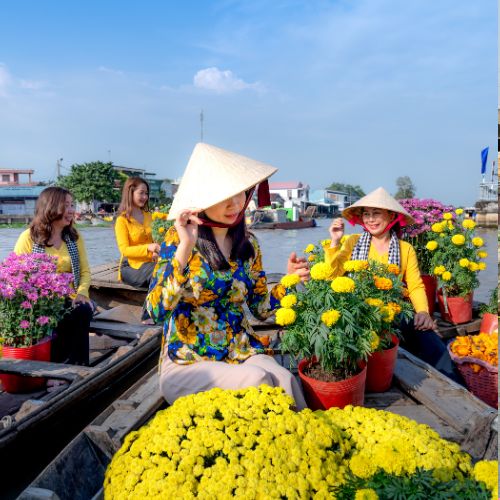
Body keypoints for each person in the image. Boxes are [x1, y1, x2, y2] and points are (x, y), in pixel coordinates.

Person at [146, 143, 309, 408]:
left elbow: (261, 309)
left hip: (239, 351)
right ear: (202, 198)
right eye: (223, 196)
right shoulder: (177, 239)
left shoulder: (249, 244)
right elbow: (154, 312)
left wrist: (288, 281)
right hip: (188, 360)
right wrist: (185, 248)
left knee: (285, 380)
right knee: (257, 380)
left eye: (241, 193)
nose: (235, 204)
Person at [324, 186, 463, 383]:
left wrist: (423, 312)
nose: (370, 219)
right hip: (358, 311)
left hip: (392, 312)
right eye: (366, 214)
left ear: (391, 216)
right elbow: (332, 275)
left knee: (430, 338)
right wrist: (335, 242)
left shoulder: (405, 249)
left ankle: (457, 386)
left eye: (376, 213)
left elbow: (415, 285)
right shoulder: (352, 242)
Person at [14, 186, 92, 366]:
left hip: (70, 298)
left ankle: (79, 366)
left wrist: (82, 293)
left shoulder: (74, 236)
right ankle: (55, 369)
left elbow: (85, 272)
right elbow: (17, 275)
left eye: (72, 205)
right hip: (39, 301)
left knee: (83, 310)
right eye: (66, 205)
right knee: (51, 318)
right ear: (50, 207)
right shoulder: (29, 237)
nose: (72, 210)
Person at [114, 177, 160, 288]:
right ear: (131, 193)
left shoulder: (149, 216)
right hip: (131, 266)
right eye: (141, 193)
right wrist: (148, 248)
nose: (145, 197)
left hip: (152, 262)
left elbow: (156, 239)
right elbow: (125, 250)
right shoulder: (122, 220)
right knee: (162, 272)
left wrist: (156, 251)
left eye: (146, 193)